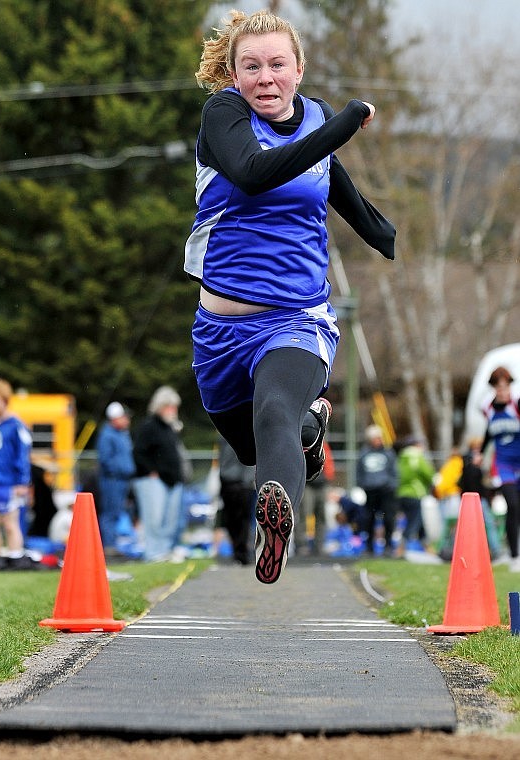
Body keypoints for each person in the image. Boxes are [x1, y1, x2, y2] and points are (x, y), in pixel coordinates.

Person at [184, 10, 395, 583]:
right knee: (250, 445)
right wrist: (346, 123)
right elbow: (255, 174)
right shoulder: (223, 116)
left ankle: (275, 520)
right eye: (251, 67)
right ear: (233, 73)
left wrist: (381, 233)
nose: (266, 78)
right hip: (222, 329)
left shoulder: (317, 120)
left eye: (278, 64)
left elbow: (334, 182)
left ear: (299, 69)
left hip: (297, 318)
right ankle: (308, 436)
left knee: (274, 408)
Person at [132, 386, 185, 562]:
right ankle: (154, 553)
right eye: (170, 407)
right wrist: (151, 472)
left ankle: (165, 550)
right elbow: (138, 452)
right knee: (154, 519)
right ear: (160, 406)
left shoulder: (170, 428)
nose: (173, 411)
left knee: (170, 520)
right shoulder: (149, 426)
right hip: (154, 480)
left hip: (172, 480)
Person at [0, 378, 33, 569]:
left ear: (5, 400)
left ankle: (15, 558)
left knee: (10, 523)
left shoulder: (15, 425)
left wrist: (23, 481)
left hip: (8, 483)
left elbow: (23, 454)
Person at [478, 366, 520, 571]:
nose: (503, 391)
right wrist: (480, 452)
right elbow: (488, 432)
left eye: (506, 386)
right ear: (494, 388)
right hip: (504, 464)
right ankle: (514, 556)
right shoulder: (488, 408)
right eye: (499, 387)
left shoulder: (517, 405)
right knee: (512, 505)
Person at [96, 401, 136, 554]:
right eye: (124, 417)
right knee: (110, 513)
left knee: (116, 512)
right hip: (112, 480)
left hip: (122, 479)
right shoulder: (107, 435)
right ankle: (109, 546)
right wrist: (120, 470)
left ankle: (112, 544)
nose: (127, 420)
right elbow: (106, 460)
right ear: (115, 418)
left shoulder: (121, 434)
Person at [356, 425, 398, 556]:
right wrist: (363, 485)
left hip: (386, 491)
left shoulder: (388, 453)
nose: (378, 440)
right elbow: (359, 472)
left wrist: (391, 485)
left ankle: (389, 545)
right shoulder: (364, 453)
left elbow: (394, 471)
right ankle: (369, 546)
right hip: (371, 491)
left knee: (388, 518)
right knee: (369, 519)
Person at [218, 436, 256, 565]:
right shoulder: (223, 434)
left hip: (243, 483)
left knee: (244, 519)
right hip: (228, 481)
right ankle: (238, 551)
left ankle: (243, 552)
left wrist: (247, 480)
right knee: (231, 519)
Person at [294, 440, 335, 557]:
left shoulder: (323, 443)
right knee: (304, 514)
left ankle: (319, 545)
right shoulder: (302, 442)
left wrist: (328, 478)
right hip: (307, 483)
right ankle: (301, 545)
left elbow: (328, 461)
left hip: (322, 484)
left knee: (321, 516)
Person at [396, 436, 435, 553]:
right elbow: (427, 473)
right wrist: (433, 480)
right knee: (415, 520)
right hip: (414, 492)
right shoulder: (416, 456)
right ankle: (401, 546)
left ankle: (427, 545)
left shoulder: (401, 457)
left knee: (418, 519)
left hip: (401, 493)